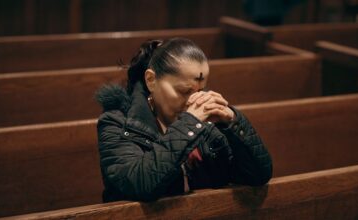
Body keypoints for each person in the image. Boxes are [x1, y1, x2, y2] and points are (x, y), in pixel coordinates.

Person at [96, 38, 272, 202]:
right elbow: (141, 184)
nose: (193, 100)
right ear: (151, 80)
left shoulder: (208, 123)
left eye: (200, 90)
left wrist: (233, 122)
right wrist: (190, 123)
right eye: (183, 91)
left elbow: (258, 175)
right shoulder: (116, 123)